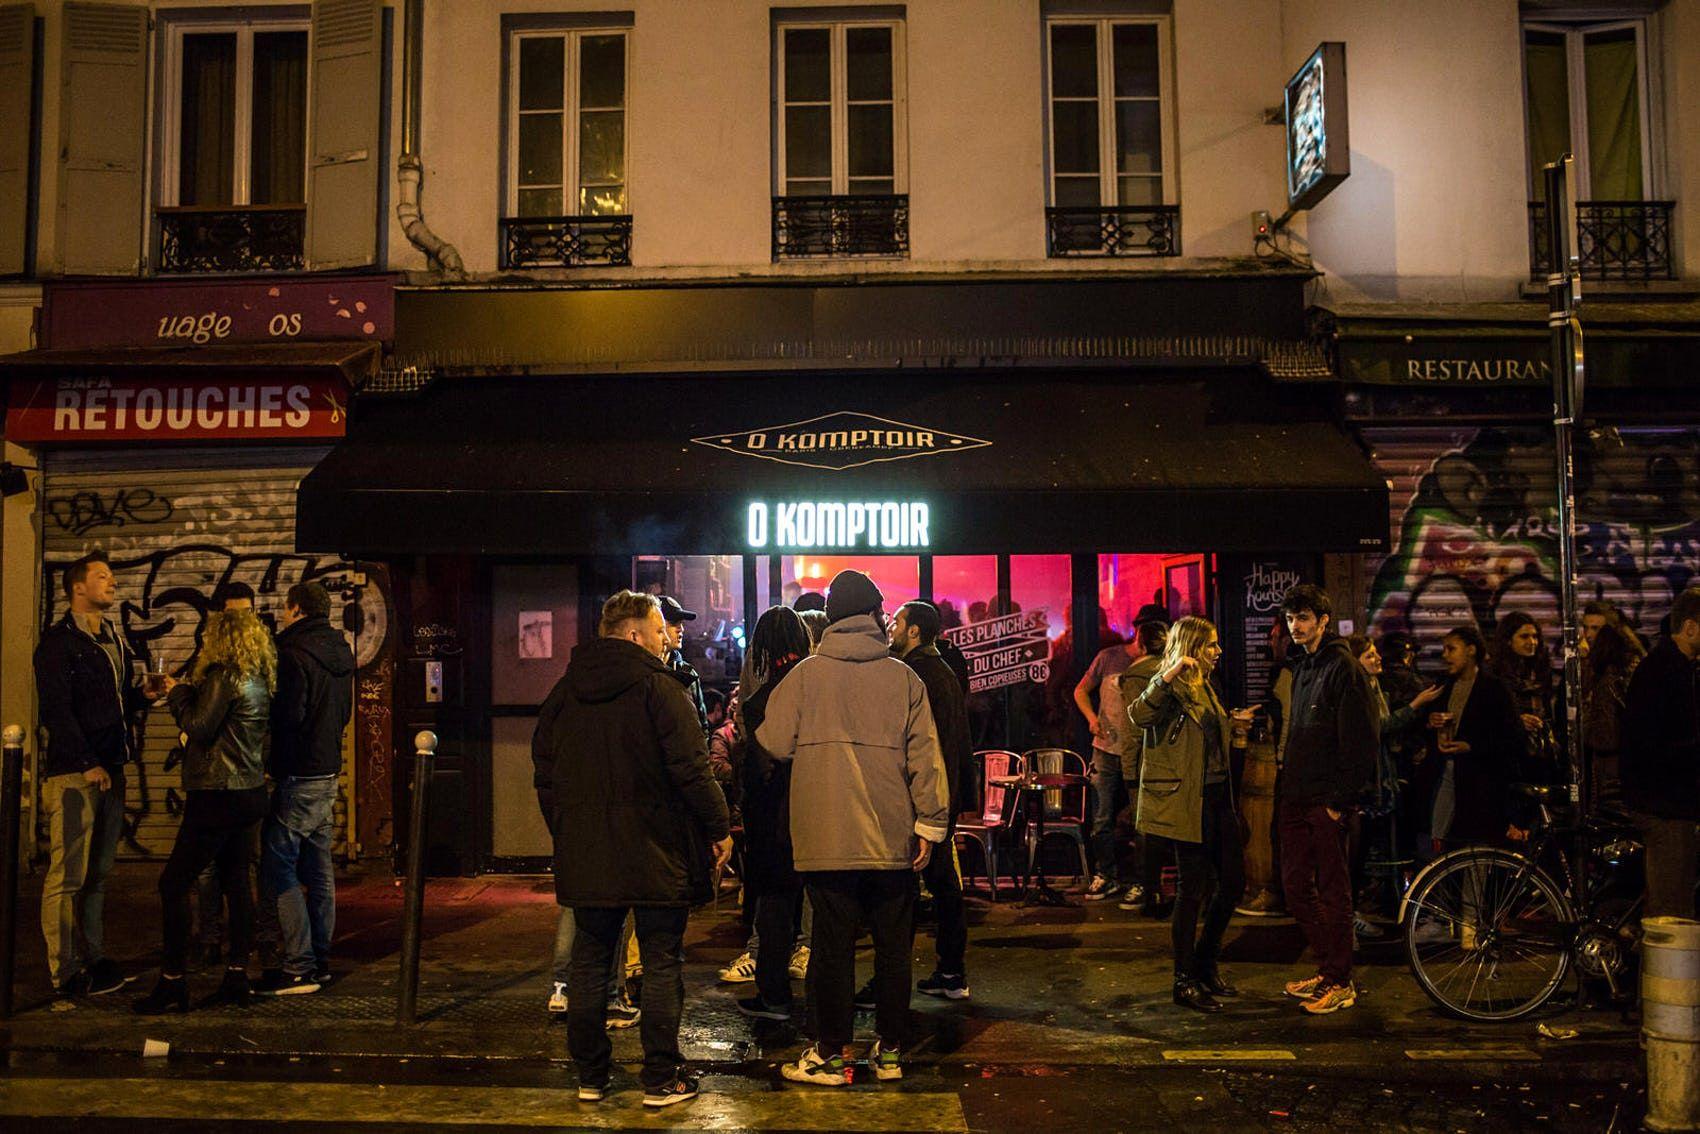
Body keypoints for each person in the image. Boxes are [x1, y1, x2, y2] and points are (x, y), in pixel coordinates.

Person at [533, 591, 732, 1108]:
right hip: (656, 848)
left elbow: (545, 773)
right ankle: (661, 1078)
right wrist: (719, 827)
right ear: (635, 634)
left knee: (590, 960)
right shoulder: (658, 689)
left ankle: (591, 1076)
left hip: (588, 848)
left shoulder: (564, 693)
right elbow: (693, 769)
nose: (668, 637)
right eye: (660, 628)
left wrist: (566, 829)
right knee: (663, 959)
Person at [756, 570, 950, 1087]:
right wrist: (930, 826)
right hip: (893, 837)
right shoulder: (904, 678)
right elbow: (925, 759)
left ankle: (832, 1053)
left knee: (832, 947)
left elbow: (773, 742)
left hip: (826, 836)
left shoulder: (804, 675)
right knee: (892, 947)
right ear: (875, 617)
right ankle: (889, 1052)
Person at [134, 609, 274, 1013]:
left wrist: (177, 692)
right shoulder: (259, 678)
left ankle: (173, 982)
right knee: (236, 880)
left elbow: (198, 726)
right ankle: (235, 977)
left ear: (221, 638)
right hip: (247, 792)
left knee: (173, 884)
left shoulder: (225, 675)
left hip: (216, 795)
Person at [35, 551, 156, 998]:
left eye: (112, 577)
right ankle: (64, 972)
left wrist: (144, 695)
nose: (113, 584)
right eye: (103, 577)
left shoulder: (111, 638)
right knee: (67, 875)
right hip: (75, 775)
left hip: (112, 768)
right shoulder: (58, 643)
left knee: (98, 873)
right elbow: (57, 711)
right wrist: (87, 762)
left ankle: (95, 957)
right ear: (77, 588)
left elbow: (118, 703)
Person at [1128, 616, 1243, 1013]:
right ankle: (1184, 979)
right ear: (1192, 648)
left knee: (1232, 883)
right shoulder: (1170, 684)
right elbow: (1138, 715)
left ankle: (1205, 962)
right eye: (1211, 645)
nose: (1218, 651)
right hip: (1185, 800)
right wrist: (1171, 671)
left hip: (1216, 796)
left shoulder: (1206, 687)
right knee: (1192, 889)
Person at [1275, 585, 1379, 1016]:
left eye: (1303, 618)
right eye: (1290, 618)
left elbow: (1362, 741)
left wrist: (1339, 801)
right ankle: (1327, 967)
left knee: (1334, 892)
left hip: (1325, 800)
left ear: (1322, 620)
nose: (1295, 626)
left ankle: (1340, 980)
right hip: (1297, 795)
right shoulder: (1302, 666)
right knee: (1295, 886)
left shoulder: (1342, 668)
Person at [254, 583, 354, 996]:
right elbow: (344, 712)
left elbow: (288, 718)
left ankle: (299, 966)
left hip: (297, 774)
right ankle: (320, 959)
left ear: (295, 609)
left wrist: (272, 763)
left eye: (284, 606)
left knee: (278, 867)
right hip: (327, 770)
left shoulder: (292, 655)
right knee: (319, 868)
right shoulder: (340, 653)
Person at [733, 607, 814, 1021]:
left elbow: (759, 770)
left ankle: (773, 995)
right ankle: (826, 1001)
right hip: (822, 811)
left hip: (775, 822)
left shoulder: (761, 702)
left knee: (775, 908)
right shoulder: (821, 688)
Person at [891, 600, 972, 1001]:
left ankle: (893, 981)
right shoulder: (944, 671)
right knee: (942, 882)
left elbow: (922, 745)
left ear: (914, 632)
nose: (890, 627)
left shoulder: (916, 674)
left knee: (908, 887)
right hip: (945, 792)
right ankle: (951, 971)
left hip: (927, 796)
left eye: (897, 622)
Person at [1346, 635, 1443, 925]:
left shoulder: (1377, 687)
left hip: (1383, 776)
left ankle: (1372, 907)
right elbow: (1379, 727)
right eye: (1369, 656)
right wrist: (1417, 704)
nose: (1378, 660)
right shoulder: (1358, 690)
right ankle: (1354, 914)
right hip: (1368, 780)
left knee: (1377, 844)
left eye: (1377, 653)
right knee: (1361, 849)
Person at [1620, 587, 1700, 919]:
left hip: (1670, 802)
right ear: (1691, 628)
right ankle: (1663, 971)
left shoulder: (1678, 667)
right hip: (1665, 806)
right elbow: (1658, 744)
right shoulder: (1665, 671)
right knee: (1672, 910)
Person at [1419, 626, 1524, 852]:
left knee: (1477, 845)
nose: (1445, 655)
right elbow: (1423, 722)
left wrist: (1471, 746)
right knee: (1437, 838)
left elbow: (1511, 735)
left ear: (1471, 650)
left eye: (1451, 649)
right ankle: (1437, 884)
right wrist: (1431, 722)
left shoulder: (1494, 688)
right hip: (1445, 774)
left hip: (1480, 780)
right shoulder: (1444, 686)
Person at [1073, 627, 1146, 902]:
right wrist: (1092, 719)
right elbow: (1081, 690)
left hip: (1138, 750)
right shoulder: (1110, 657)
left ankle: (1141, 879)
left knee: (1142, 819)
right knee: (1101, 815)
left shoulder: (1158, 661)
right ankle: (1106, 875)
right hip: (1105, 748)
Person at [1115, 620, 1170, 916]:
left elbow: (1132, 730)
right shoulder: (1178, 670)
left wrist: (1129, 771)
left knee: (1145, 829)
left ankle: (1148, 889)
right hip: (1173, 763)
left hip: (1146, 765)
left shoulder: (1136, 674)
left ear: (1143, 644)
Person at [1488, 612, 1559, 784]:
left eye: (1535, 636)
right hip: (1509, 753)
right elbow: (1489, 714)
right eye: (1524, 637)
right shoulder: (1495, 674)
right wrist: (1517, 721)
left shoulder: (1539, 671)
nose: (1532, 642)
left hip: (1539, 751)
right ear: (1508, 640)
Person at [1581, 619, 1643, 808]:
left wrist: (1585, 729)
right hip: (1635, 760)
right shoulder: (1636, 675)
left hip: (1611, 765)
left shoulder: (1606, 681)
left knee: (1610, 816)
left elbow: (1606, 735)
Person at [658, 596, 710, 737]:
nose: (681, 629)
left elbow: (702, 726)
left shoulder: (688, 674)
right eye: (674, 623)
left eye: (681, 623)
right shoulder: (644, 672)